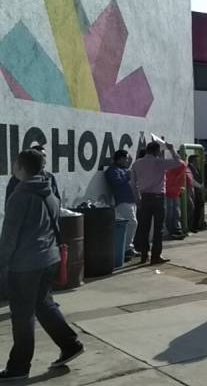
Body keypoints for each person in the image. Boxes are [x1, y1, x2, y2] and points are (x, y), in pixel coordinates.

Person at [0, 150, 84, 380]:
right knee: (44, 305)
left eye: (15, 164)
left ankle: (18, 367)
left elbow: (9, 237)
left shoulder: (19, 196)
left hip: (25, 265)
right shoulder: (49, 193)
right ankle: (70, 344)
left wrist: (2, 263)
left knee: (22, 315)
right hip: (49, 259)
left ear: (20, 167)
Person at [131, 141, 181, 264]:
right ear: (157, 151)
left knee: (144, 227)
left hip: (144, 197)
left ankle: (144, 255)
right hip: (158, 198)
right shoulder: (159, 162)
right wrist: (171, 149)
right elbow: (178, 162)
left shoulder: (137, 163)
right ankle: (155, 256)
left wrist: (137, 198)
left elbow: (133, 183)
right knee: (158, 229)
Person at [104, 150, 139, 260]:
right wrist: (128, 176)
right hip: (123, 201)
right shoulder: (112, 170)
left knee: (131, 224)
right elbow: (116, 183)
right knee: (132, 223)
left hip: (131, 200)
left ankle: (129, 248)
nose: (127, 161)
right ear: (120, 159)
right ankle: (126, 249)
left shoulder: (125, 170)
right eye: (126, 159)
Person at [164, 162, 188, 240]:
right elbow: (167, 186)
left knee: (175, 212)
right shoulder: (170, 173)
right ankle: (172, 231)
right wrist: (179, 189)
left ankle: (176, 230)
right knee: (171, 213)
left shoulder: (178, 172)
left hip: (175, 194)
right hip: (169, 194)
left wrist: (179, 189)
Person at [187, 156, 207, 232]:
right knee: (195, 208)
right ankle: (193, 226)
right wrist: (200, 186)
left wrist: (202, 186)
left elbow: (199, 178)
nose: (197, 162)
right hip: (194, 190)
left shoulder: (196, 168)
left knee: (199, 207)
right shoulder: (189, 168)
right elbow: (191, 180)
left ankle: (198, 225)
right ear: (192, 161)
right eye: (196, 160)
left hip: (199, 190)